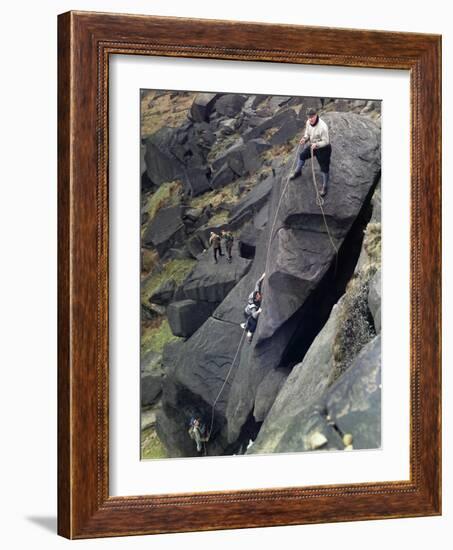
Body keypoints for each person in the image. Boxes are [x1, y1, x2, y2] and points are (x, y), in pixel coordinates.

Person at [289, 108, 332, 197]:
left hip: (324, 149)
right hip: (313, 146)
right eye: (309, 117)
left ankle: (325, 186)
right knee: (302, 156)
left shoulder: (322, 127)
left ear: (316, 115)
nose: (310, 119)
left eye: (312, 117)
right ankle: (297, 172)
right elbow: (307, 134)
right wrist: (304, 139)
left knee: (324, 168)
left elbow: (326, 141)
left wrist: (317, 144)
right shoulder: (308, 122)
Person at [240, 273, 265, 343]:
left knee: (250, 322)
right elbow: (254, 315)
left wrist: (262, 277)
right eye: (257, 297)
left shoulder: (256, 292)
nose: (258, 295)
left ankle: (246, 325)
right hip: (248, 314)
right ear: (254, 300)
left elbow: (257, 283)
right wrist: (259, 311)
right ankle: (250, 334)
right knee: (253, 323)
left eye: (257, 294)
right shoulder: (253, 306)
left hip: (248, 312)